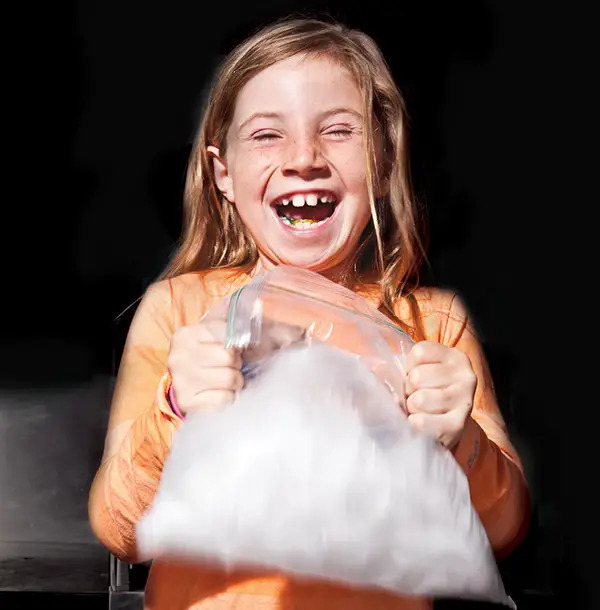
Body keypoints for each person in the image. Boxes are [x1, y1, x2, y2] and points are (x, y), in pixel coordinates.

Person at [88, 17, 530, 610]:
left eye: (340, 131)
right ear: (225, 174)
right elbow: (119, 527)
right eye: (267, 135)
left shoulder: (434, 326)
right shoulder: (179, 310)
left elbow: (502, 533)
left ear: (382, 160)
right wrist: (174, 409)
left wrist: (463, 443)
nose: (304, 158)